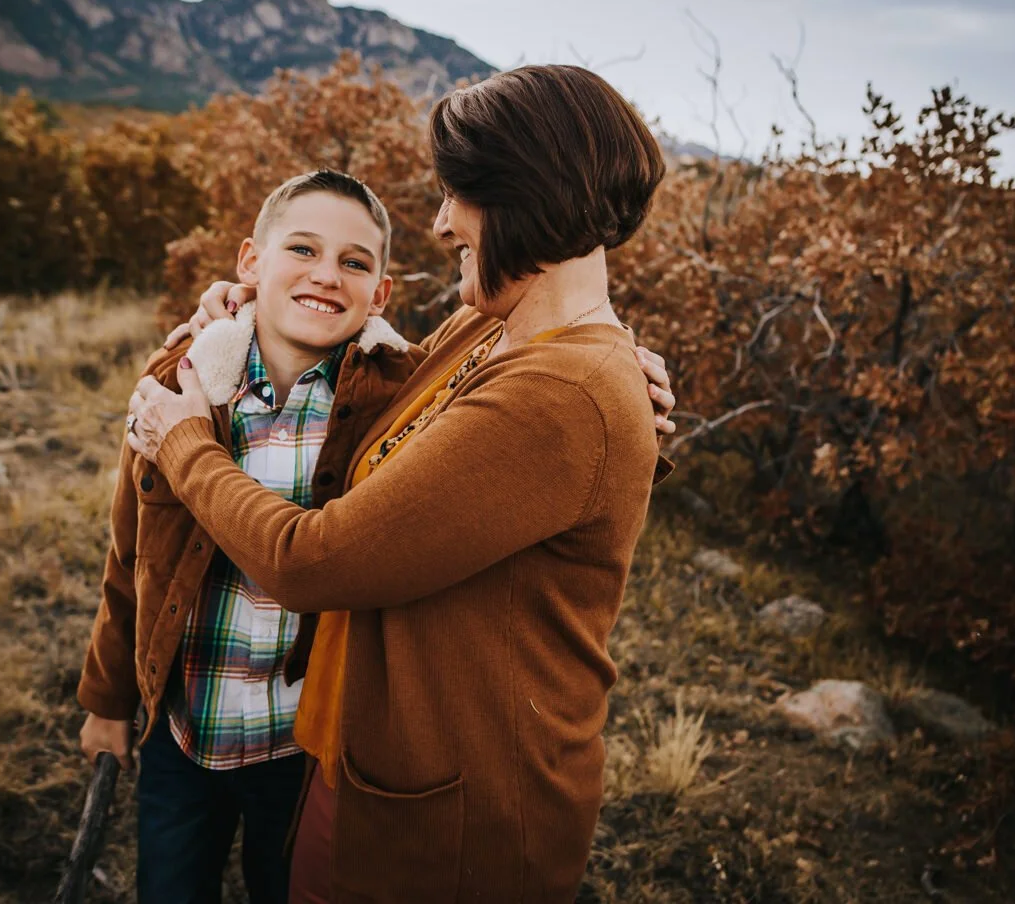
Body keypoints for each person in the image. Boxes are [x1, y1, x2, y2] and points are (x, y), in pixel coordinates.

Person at [126, 64, 673, 902]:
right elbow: (386, 409)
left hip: (451, 825)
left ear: (522, 194)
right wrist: (250, 313)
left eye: (457, 193)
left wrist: (185, 442)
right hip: (365, 762)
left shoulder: (562, 386)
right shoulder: (488, 331)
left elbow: (313, 562)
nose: (440, 218)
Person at [77, 170, 420, 904]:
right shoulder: (182, 380)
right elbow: (131, 552)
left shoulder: (399, 402)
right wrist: (107, 701)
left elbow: (504, 395)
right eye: (302, 249)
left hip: (308, 748)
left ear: (381, 294)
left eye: (355, 262)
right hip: (183, 729)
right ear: (250, 263)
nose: (327, 275)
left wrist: (621, 376)